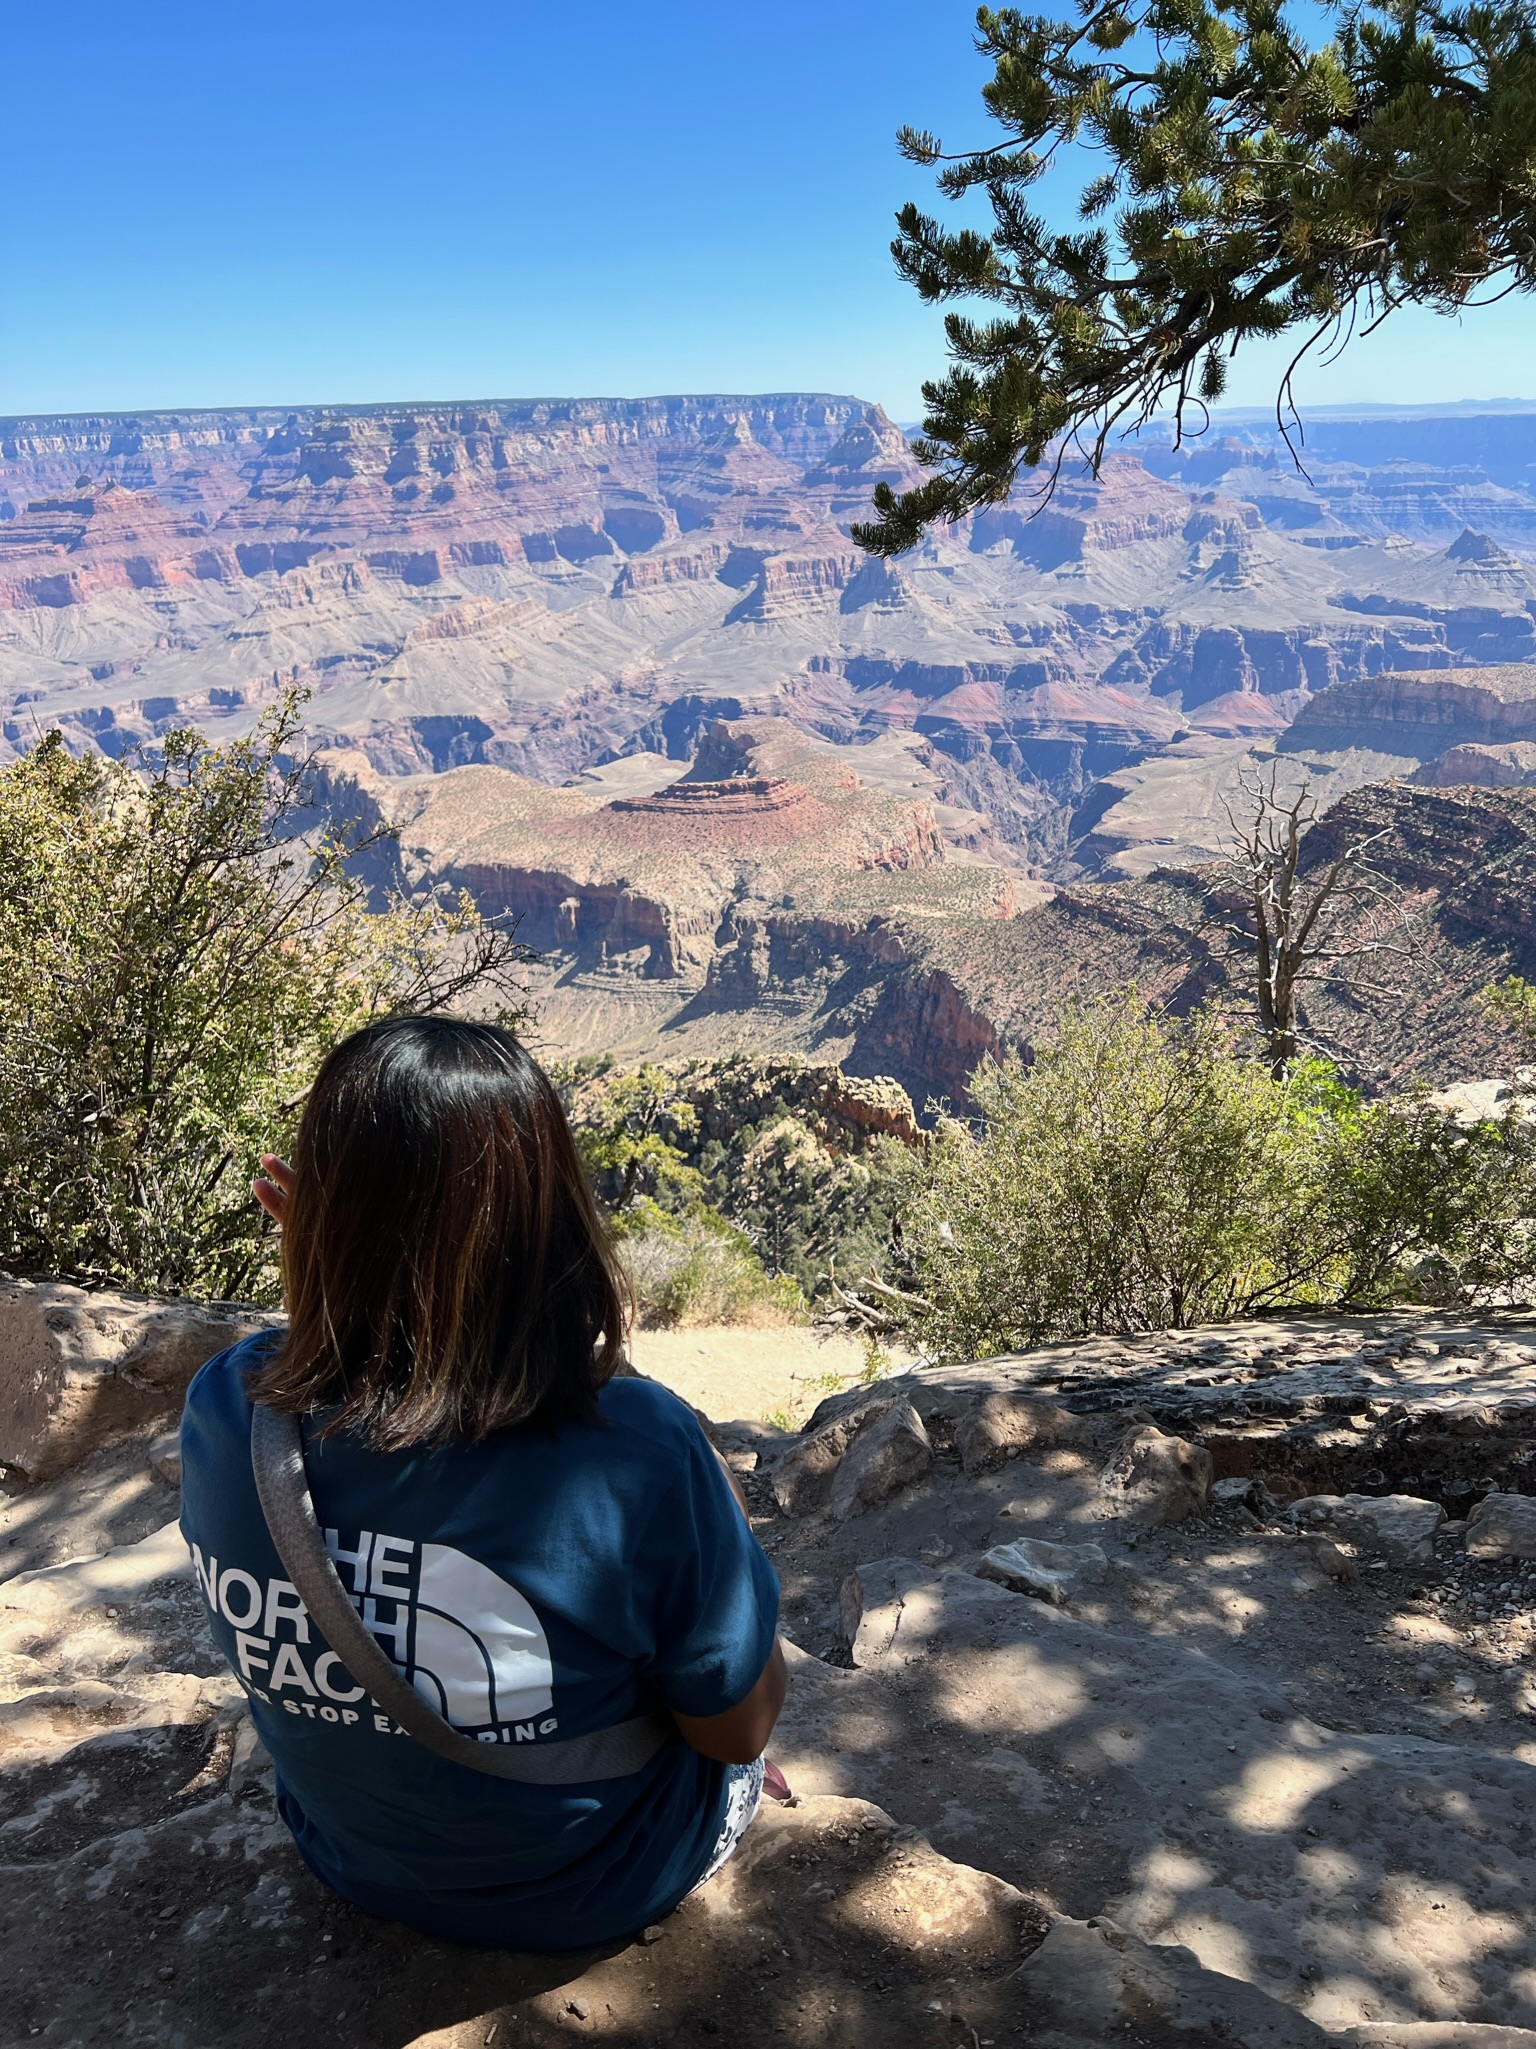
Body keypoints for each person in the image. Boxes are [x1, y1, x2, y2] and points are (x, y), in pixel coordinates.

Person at [179, 1015, 786, 1950]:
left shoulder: (233, 1410)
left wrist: (344, 1277)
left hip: (350, 1852)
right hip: (593, 1881)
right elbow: (736, 1734)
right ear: (550, 1223)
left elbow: (352, 1390)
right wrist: (710, 1498)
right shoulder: (635, 1448)